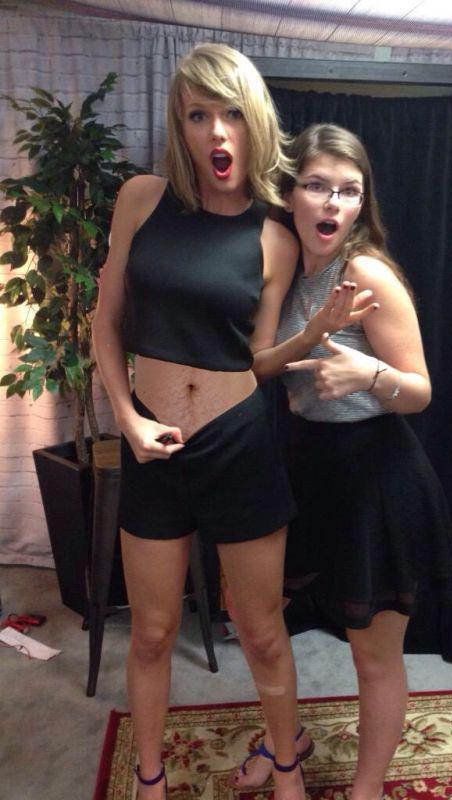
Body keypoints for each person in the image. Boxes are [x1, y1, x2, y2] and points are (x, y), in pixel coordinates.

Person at [92, 43, 309, 800]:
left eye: (232, 114)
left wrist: (318, 343)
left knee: (261, 632)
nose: (216, 132)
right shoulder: (141, 200)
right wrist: (126, 418)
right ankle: (150, 782)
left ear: (256, 124)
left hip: (240, 444)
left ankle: (287, 772)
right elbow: (106, 321)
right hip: (151, 444)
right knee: (152, 632)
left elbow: (260, 358)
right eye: (198, 115)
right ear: (179, 125)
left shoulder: (277, 235)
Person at [236, 123, 452, 800]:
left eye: (349, 190)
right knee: (257, 617)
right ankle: (289, 742)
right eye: (317, 185)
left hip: (376, 477)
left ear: (363, 203)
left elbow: (420, 391)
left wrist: (368, 375)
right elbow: (260, 364)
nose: (333, 203)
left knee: (374, 655)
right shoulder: (286, 267)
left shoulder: (365, 272)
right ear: (291, 195)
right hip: (305, 469)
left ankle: (366, 790)